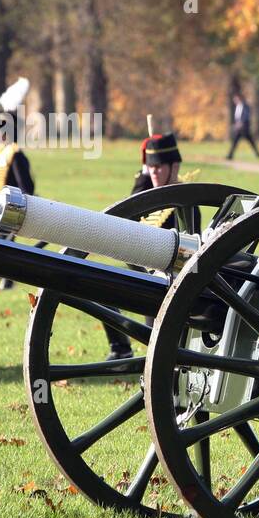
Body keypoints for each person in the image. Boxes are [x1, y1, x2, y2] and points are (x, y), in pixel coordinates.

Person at [105, 133, 182, 361]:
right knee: (101, 289)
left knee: (155, 345)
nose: (155, 171)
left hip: (165, 280)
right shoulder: (146, 193)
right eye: (151, 166)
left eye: (160, 166)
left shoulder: (184, 201)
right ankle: (120, 348)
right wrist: (142, 178)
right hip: (142, 272)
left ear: (173, 166)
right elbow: (128, 215)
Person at [227, 92, 259, 160]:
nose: (234, 100)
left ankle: (257, 153)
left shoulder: (246, 106)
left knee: (251, 141)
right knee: (235, 141)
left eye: (236, 99)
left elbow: (246, 116)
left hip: (244, 128)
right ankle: (230, 155)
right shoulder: (237, 107)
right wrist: (236, 124)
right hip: (239, 128)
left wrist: (241, 123)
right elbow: (237, 117)